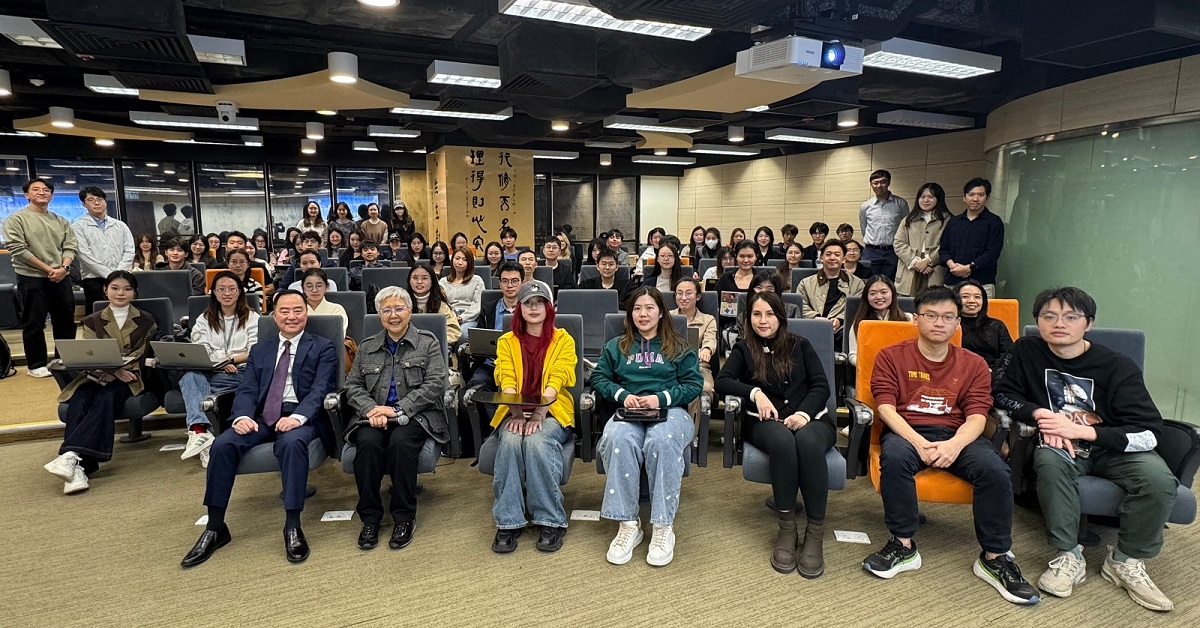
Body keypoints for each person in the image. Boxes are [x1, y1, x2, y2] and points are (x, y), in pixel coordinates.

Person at [992, 287, 1176, 611]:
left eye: (1071, 317)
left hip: (1112, 446)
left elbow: (1150, 432)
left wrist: (1084, 431)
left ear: (1088, 324)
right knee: (1049, 462)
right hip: (1059, 443)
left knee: (1159, 481)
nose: (1058, 323)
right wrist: (1041, 415)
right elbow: (1001, 393)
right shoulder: (1026, 350)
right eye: (1049, 316)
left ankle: (1125, 561)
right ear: (1038, 321)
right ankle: (1068, 556)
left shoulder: (1117, 366)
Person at [862, 286, 1038, 605]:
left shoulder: (971, 364)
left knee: (995, 470)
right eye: (931, 315)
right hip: (907, 431)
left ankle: (995, 557)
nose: (939, 323)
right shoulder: (892, 356)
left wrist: (954, 445)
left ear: (958, 323)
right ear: (916, 319)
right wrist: (918, 441)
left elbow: (977, 415)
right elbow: (886, 408)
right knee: (895, 457)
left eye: (948, 317)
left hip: (957, 434)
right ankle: (903, 545)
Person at [180, 290, 339, 567]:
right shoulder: (260, 350)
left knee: (291, 444)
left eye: (298, 310)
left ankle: (292, 525)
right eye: (285, 311)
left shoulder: (323, 347)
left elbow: (321, 389)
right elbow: (247, 388)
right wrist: (241, 415)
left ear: (306, 313)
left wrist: (299, 417)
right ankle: (215, 527)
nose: (292, 316)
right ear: (274, 315)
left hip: (300, 415)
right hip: (262, 416)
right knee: (222, 444)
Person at [715, 291, 835, 578]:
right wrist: (755, 392)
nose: (763, 320)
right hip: (765, 422)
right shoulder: (744, 349)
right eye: (756, 314)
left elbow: (821, 387)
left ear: (781, 317)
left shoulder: (800, 345)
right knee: (782, 442)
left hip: (812, 419)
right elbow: (722, 382)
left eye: (769, 314)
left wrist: (802, 414)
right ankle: (787, 527)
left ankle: (815, 533)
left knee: (806, 442)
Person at [593, 286, 702, 566]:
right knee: (618, 439)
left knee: (662, 441)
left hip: (671, 411)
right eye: (637, 309)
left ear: (661, 312)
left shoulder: (678, 347)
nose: (643, 314)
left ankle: (663, 527)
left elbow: (693, 385)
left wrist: (660, 398)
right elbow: (599, 379)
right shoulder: (616, 347)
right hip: (628, 410)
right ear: (630, 314)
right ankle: (629, 524)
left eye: (650, 308)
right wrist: (624, 396)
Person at [345, 286, 448, 551]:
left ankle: (404, 517)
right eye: (386, 310)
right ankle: (370, 518)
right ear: (379, 314)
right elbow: (353, 385)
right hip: (374, 415)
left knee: (401, 443)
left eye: (399, 308)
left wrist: (398, 409)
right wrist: (371, 409)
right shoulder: (367, 347)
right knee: (367, 444)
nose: (393, 315)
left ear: (410, 311)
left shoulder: (427, 342)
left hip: (416, 415)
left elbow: (436, 384)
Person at [43, 271, 155, 493]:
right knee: (80, 397)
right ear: (105, 290)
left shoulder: (146, 320)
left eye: (126, 288)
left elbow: (142, 354)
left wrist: (118, 372)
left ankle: (69, 456)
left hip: (129, 377)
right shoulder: (92, 321)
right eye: (115, 288)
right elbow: (90, 353)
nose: (120, 293)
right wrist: (109, 369)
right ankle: (79, 467)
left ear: (134, 292)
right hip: (95, 374)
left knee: (106, 396)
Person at [489, 280, 577, 553]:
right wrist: (517, 413)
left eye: (540, 302)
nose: (534, 307)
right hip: (514, 409)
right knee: (512, 441)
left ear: (549, 307)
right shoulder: (507, 341)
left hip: (552, 410)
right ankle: (508, 521)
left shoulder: (563, 339)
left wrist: (537, 414)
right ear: (519, 308)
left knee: (537, 441)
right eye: (528, 302)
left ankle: (551, 519)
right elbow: (506, 379)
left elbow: (557, 379)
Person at [177, 271, 260, 469]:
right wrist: (221, 362)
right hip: (214, 371)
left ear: (240, 291)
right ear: (213, 292)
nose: (227, 293)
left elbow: (255, 349)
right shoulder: (205, 319)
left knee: (195, 384)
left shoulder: (252, 317)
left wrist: (231, 359)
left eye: (232, 289)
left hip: (241, 372)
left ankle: (200, 432)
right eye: (221, 289)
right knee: (190, 377)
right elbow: (201, 348)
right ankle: (202, 432)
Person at [4, 179, 78, 378]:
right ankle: (36, 364)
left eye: (46, 190)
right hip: (31, 276)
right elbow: (18, 250)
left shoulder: (60, 220)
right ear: (27, 195)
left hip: (61, 275)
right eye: (35, 189)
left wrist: (63, 267)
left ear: (52, 195)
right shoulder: (17, 219)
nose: (42, 193)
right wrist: (48, 269)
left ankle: (63, 360)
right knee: (33, 321)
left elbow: (70, 246)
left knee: (65, 320)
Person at [71, 186, 134, 311]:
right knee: (97, 317)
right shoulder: (78, 227)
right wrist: (110, 275)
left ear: (105, 202)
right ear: (84, 204)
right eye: (91, 200)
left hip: (121, 277)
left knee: (123, 313)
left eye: (100, 199)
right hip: (94, 279)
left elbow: (130, 250)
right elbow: (84, 255)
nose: (96, 202)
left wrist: (118, 272)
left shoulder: (120, 225)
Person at [940, 178, 1005, 296]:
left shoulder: (994, 222)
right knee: (950, 314)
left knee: (981, 314)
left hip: (982, 284)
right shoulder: (954, 221)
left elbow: (992, 253)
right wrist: (953, 266)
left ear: (987, 198)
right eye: (971, 194)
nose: (975, 199)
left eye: (981, 195)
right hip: (952, 282)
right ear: (964, 197)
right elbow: (943, 249)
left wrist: (969, 268)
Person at [795, 241, 864, 338]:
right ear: (821, 258)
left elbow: (858, 308)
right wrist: (815, 318)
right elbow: (800, 306)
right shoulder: (806, 283)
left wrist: (839, 320)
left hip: (842, 331)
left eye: (837, 255)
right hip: (811, 328)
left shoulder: (857, 284)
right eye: (828, 254)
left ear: (844, 259)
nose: (832, 258)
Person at [671, 278, 716, 426]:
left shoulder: (708, 320)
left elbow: (710, 339)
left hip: (698, 367)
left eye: (688, 293)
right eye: (679, 293)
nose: (683, 298)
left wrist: (706, 350)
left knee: (705, 387)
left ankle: (693, 436)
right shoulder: (666, 317)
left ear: (697, 296)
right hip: (670, 366)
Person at [894, 182, 951, 296]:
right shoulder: (908, 219)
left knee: (932, 304)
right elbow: (898, 243)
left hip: (934, 270)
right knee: (906, 309)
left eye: (930, 197)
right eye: (922, 196)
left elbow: (948, 245)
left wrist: (928, 261)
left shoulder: (948, 220)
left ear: (939, 199)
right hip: (909, 270)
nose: (926, 200)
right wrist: (915, 262)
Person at [847, 276, 914, 366]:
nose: (878, 297)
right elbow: (853, 354)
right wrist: (868, 364)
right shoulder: (860, 323)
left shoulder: (908, 319)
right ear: (866, 297)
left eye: (884, 292)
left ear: (893, 294)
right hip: (870, 371)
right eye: (873, 293)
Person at [860, 170, 910, 284]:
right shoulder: (866, 206)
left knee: (890, 284)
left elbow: (906, 228)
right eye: (875, 183)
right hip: (871, 251)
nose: (879, 186)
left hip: (893, 251)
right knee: (868, 284)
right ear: (871, 185)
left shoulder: (901, 204)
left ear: (888, 183)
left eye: (883, 182)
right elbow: (864, 228)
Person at [955, 280, 1011, 369]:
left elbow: (1008, 354)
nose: (972, 301)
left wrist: (993, 371)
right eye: (965, 296)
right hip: (962, 373)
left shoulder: (997, 325)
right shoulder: (951, 325)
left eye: (977, 297)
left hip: (994, 373)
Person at [407, 264, 461, 344]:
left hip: (434, 347)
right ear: (409, 281)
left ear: (432, 282)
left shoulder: (441, 306)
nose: (419, 282)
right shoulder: (402, 303)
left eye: (424, 278)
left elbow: (453, 331)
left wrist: (434, 342)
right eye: (415, 278)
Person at [440, 246, 486, 330]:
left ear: (470, 262)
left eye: (464, 260)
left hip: (470, 318)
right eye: (457, 258)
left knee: (462, 333)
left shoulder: (477, 280)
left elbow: (477, 304)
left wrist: (462, 318)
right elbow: (442, 305)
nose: (460, 262)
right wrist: (451, 318)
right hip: (449, 317)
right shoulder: (443, 282)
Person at [301, 268, 348, 337]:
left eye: (319, 286)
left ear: (326, 287)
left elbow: (338, 337)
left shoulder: (337, 309)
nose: (314, 290)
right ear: (303, 288)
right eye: (309, 286)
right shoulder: (297, 310)